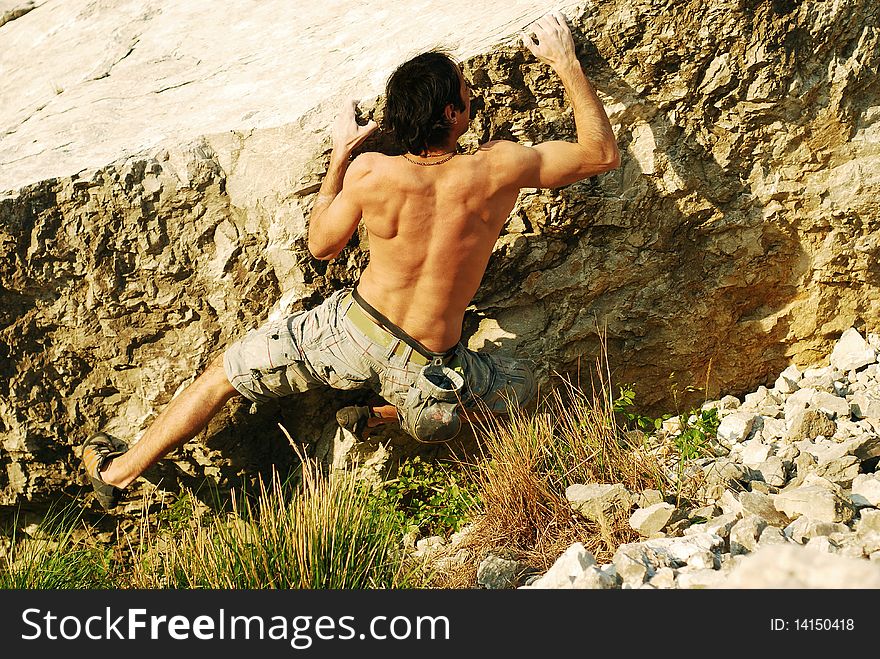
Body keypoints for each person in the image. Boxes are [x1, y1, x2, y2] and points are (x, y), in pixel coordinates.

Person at [80, 11, 620, 510]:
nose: (471, 95)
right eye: (465, 91)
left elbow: (321, 246)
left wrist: (341, 158)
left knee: (224, 373)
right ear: (452, 113)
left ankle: (119, 473)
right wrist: (566, 62)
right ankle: (397, 412)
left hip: (350, 332)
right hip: (427, 361)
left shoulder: (372, 174)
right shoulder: (498, 169)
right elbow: (600, 154)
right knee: (518, 383)